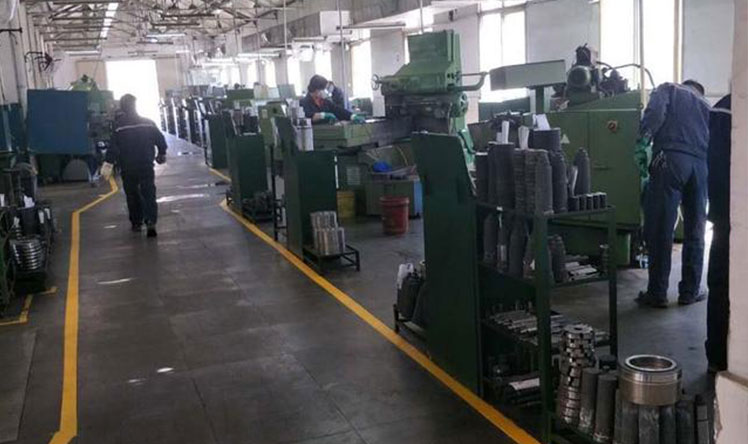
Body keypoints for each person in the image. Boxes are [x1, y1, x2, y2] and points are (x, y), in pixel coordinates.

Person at [635, 80, 711, 308]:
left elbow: (656, 111)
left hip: (671, 159)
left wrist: (643, 139)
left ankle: (657, 293)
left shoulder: (670, 88)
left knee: (661, 228)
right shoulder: (707, 105)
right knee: (696, 230)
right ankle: (690, 292)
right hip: (701, 166)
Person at [106, 94, 168, 238]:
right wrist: (161, 153)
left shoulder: (119, 127)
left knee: (132, 194)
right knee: (148, 193)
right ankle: (151, 221)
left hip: (128, 167)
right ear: (135, 105)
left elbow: (113, 148)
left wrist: (108, 164)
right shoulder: (148, 123)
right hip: (146, 164)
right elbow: (160, 140)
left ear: (122, 107)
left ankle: (136, 223)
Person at [706, 94, 731, 372]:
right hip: (729, 214)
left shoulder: (723, 109)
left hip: (725, 213)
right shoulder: (727, 110)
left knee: (721, 283)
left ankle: (718, 356)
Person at [299, 74, 365, 124]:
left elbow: (338, 110)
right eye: (324, 89)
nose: (326, 92)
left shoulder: (325, 102)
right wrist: (323, 115)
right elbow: (308, 117)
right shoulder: (303, 103)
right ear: (317, 89)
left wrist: (352, 116)